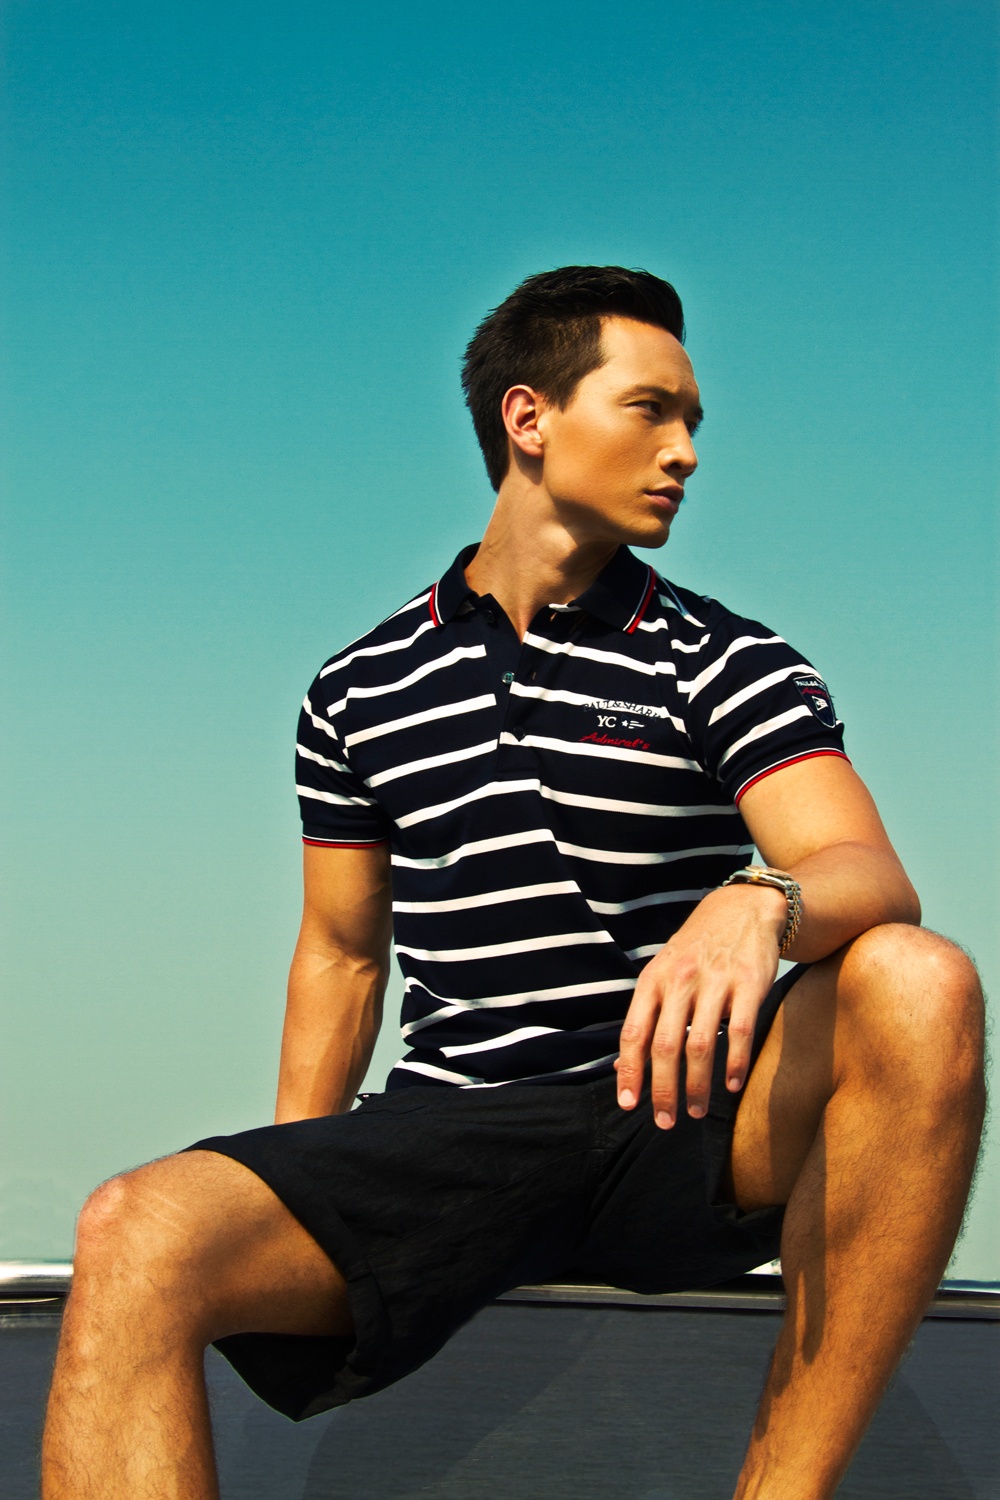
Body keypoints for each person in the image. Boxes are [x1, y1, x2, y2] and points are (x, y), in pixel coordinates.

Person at [43, 266, 985, 1499]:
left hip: (686, 1121)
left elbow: (863, 870)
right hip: (457, 1126)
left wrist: (759, 901)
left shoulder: (722, 661)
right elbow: (342, 954)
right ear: (528, 419)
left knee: (917, 979)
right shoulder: (358, 687)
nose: (687, 452)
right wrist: (302, 1169)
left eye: (692, 420)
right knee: (135, 1231)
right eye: (651, 409)